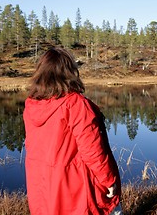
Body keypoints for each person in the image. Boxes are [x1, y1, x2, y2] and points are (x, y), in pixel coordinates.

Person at [23, 47, 121, 215]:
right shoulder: (75, 104)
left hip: (44, 188)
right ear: (69, 72)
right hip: (75, 189)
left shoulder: (32, 105)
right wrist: (108, 181)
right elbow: (92, 151)